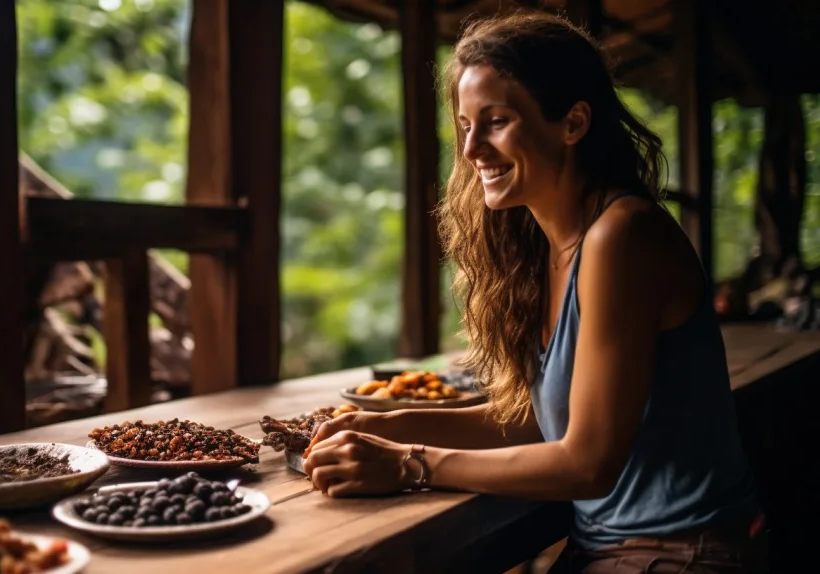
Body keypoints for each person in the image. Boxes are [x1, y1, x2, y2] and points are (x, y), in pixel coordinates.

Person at [303, 11, 766, 573]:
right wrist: (385, 425)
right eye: (465, 126)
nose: (472, 150)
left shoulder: (621, 236)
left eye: (496, 121)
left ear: (572, 123)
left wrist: (409, 463)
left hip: (680, 553)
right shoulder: (551, 248)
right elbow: (535, 422)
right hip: (606, 547)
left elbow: (588, 463)